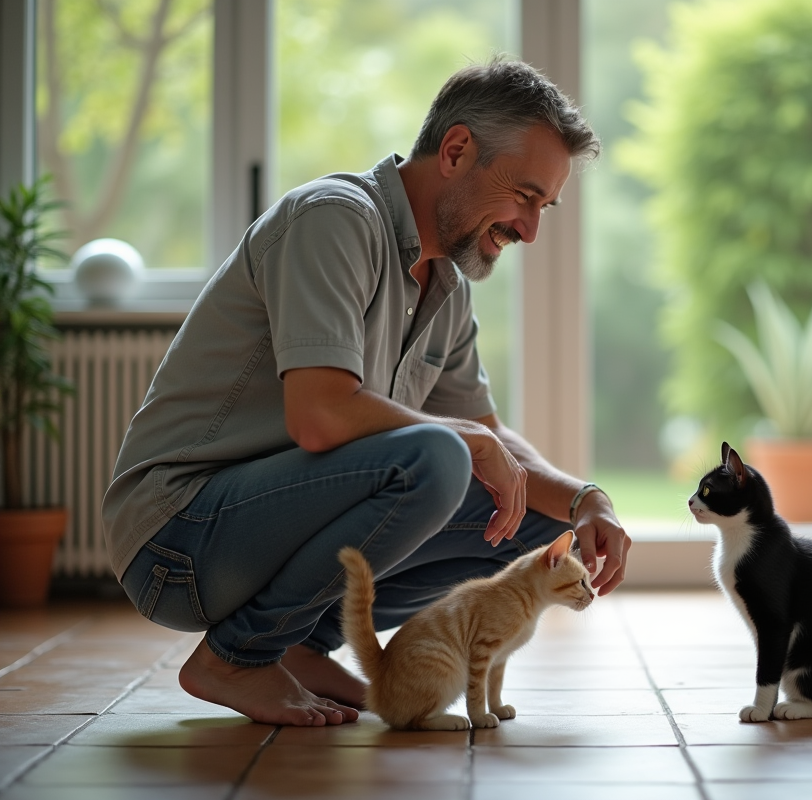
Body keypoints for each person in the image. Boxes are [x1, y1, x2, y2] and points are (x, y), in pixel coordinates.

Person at [102, 60, 629, 727]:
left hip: (258, 533)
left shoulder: (447, 287)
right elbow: (321, 415)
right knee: (438, 457)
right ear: (458, 150)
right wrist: (464, 441)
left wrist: (587, 500)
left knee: (537, 513)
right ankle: (235, 657)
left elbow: (492, 438)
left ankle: (295, 643)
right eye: (524, 196)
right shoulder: (335, 220)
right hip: (178, 541)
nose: (530, 229)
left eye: (543, 206)